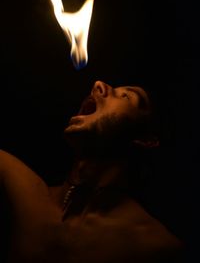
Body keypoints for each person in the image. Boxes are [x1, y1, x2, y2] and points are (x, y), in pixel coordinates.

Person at [0, 80, 184, 263]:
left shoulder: (154, 247)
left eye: (125, 96)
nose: (98, 84)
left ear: (145, 139)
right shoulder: (13, 186)